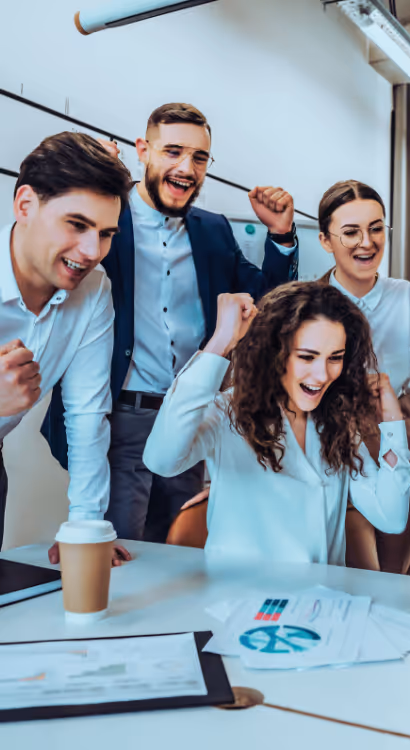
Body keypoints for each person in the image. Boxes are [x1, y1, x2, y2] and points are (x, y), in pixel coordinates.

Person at [42, 103, 299, 544]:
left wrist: (280, 237)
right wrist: (88, 179)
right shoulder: (107, 220)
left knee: (182, 545)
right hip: (121, 415)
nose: (186, 168)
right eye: (173, 152)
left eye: (199, 158)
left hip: (191, 416)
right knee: (120, 547)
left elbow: (268, 304)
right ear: (143, 150)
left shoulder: (213, 230)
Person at [142, 283, 410, 565]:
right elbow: (161, 460)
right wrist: (220, 342)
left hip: (321, 602)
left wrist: (392, 422)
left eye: (335, 358)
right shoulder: (228, 411)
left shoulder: (337, 423)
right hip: (243, 600)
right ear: (275, 352)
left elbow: (391, 517)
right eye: (307, 356)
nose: (321, 375)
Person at [317, 180, 410, 574]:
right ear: (325, 240)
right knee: (354, 573)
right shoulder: (308, 300)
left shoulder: (406, 296)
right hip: (329, 442)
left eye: (376, 228)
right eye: (350, 232)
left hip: (398, 438)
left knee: (393, 575)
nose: (366, 242)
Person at [0, 132, 132, 564]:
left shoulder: (94, 290)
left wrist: (86, 526)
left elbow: (87, 415)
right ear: (25, 205)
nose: (93, 251)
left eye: (106, 233)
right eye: (76, 224)